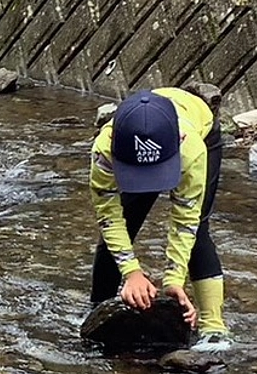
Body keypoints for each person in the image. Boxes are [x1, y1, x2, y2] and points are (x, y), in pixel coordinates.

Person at [90, 88, 231, 353]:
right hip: (135, 147)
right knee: (122, 227)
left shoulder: (192, 150)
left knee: (199, 227)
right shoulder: (105, 151)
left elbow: (185, 219)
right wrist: (131, 272)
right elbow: (109, 216)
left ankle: (214, 326)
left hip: (197, 131)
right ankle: (97, 310)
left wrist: (174, 281)